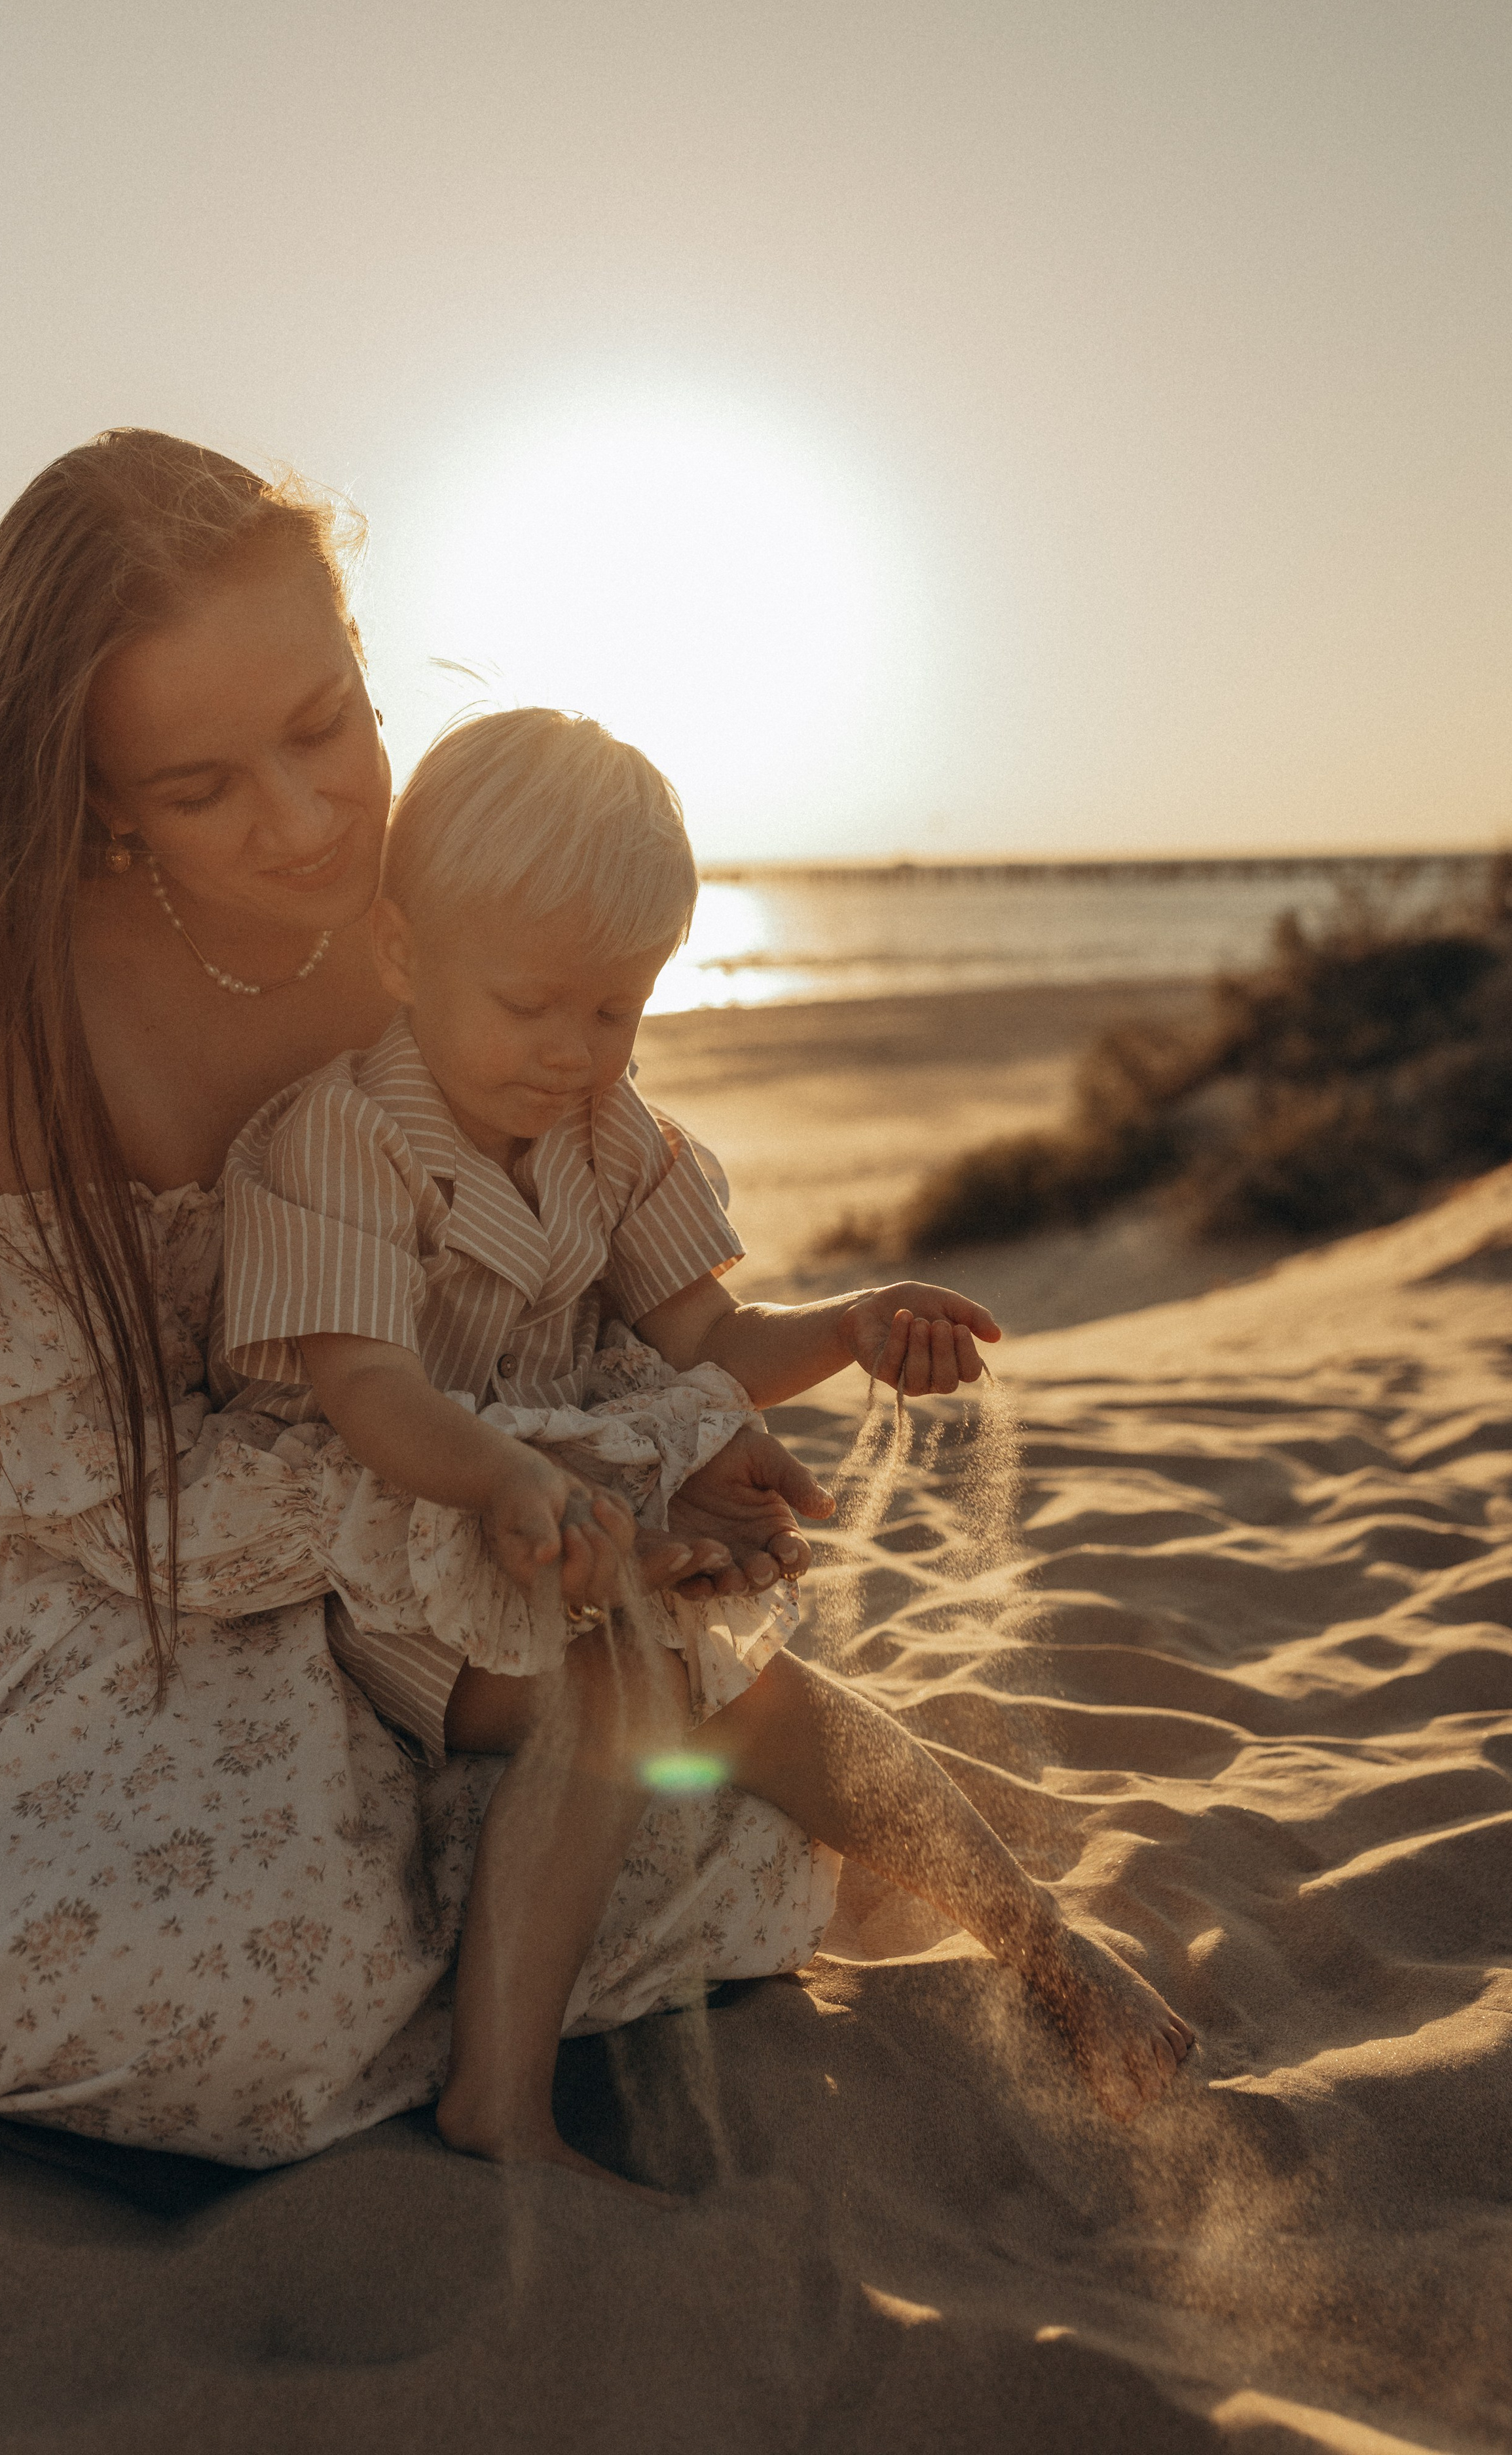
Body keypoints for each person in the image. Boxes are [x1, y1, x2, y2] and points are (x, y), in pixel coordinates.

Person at [0, 432, 840, 2168]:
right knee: (253, 1998)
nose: (305, 822)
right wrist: (505, 1493)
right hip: (118, 1574)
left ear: (363, 658)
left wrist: (635, 1465)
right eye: (201, 788)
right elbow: (78, 1486)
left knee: (723, 1856)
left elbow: (544, 1242)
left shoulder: (426, 904)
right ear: (95, 793)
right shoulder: (10, 1021)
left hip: (429, 1520)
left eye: (325, 727)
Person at [219, 707, 1197, 2187]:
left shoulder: (613, 1136)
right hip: (390, 1536)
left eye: (612, 1013)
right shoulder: (345, 1137)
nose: (571, 1054)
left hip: (573, 1511)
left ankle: (1038, 1948)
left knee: (769, 1692)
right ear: (407, 958)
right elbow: (368, 1395)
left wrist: (852, 1325)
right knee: (619, 1689)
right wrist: (509, 1482)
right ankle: (500, 2096)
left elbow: (709, 1344)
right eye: (532, 1007)